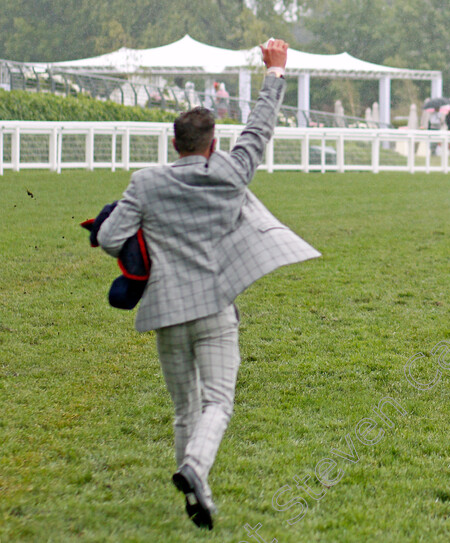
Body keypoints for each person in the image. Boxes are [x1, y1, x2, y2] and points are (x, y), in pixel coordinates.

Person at [96, 39, 320, 530]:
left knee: (184, 410)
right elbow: (260, 126)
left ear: (173, 144)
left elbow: (111, 236)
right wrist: (275, 71)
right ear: (212, 143)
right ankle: (195, 470)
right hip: (215, 308)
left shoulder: (145, 182)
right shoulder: (231, 172)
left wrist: (137, 249)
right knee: (218, 402)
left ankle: (196, 495)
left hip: (164, 310)